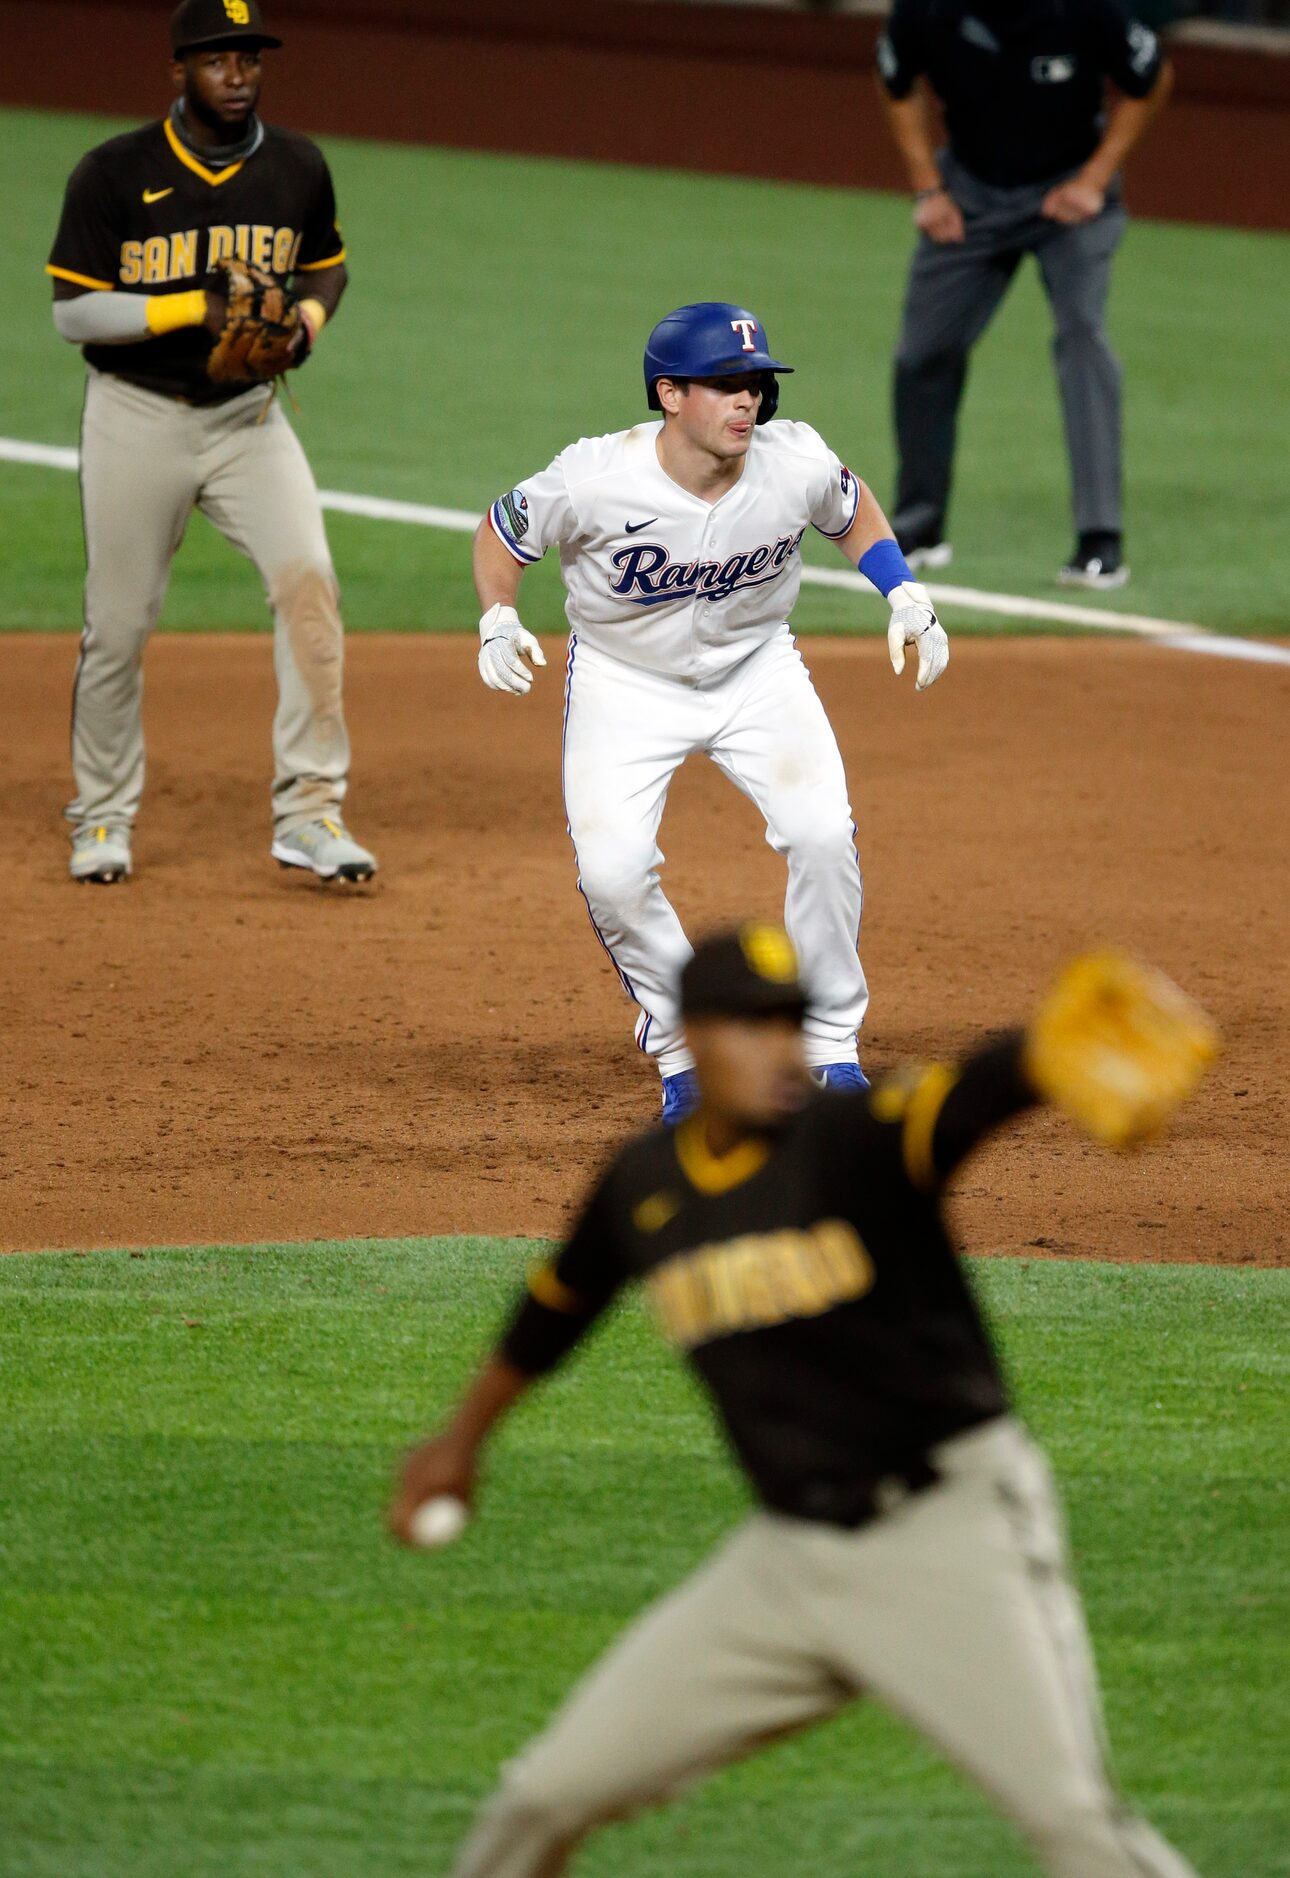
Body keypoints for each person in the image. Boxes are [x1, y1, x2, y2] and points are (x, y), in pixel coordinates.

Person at [391, 926, 1216, 1878]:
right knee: (542, 1799)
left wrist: (1036, 1053)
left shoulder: (852, 1140)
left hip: (946, 1541)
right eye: (750, 1025)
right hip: (783, 1568)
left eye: (790, 1024)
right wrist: (461, 1441)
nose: (779, 1048)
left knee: (1076, 1827)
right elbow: (556, 1307)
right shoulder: (645, 1183)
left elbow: (961, 1099)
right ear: (692, 1033)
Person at [472, 301, 949, 1122]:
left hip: (757, 673)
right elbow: (504, 530)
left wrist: (899, 588)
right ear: (668, 394)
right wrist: (497, 615)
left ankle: (831, 1046)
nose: (748, 402)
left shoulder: (792, 459)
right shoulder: (594, 476)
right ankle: (684, 1050)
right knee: (613, 875)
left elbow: (850, 507)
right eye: (726, 385)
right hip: (626, 685)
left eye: (756, 384)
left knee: (822, 835)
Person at [47, 0, 377, 885]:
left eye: (249, 59)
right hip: (136, 418)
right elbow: (73, 310)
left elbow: (327, 261)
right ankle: (103, 818)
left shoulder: (298, 166)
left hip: (249, 421)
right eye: (216, 60)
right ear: (178, 72)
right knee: (117, 625)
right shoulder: (114, 172)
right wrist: (191, 306)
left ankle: (310, 812)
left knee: (310, 584)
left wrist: (304, 323)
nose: (237, 75)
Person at [876, 0, 1173, 589]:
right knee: (922, 352)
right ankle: (920, 526)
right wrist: (926, 188)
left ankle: (1099, 541)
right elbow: (896, 80)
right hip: (969, 194)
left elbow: (1152, 76)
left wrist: (1093, 181)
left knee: (1082, 337)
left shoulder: (1085, 8)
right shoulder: (927, 9)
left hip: (1069, 198)